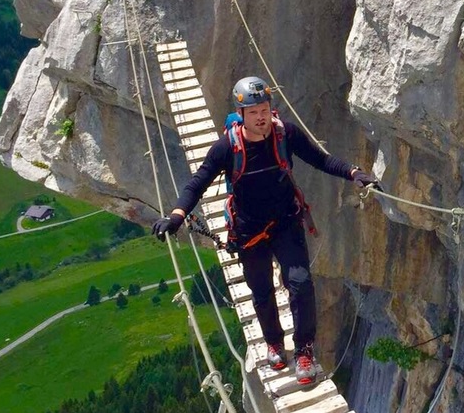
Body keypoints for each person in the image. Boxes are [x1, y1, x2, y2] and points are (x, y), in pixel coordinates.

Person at [152, 76, 376, 384]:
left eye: (265, 110)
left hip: (286, 222)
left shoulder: (285, 134)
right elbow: (198, 183)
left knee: (300, 283)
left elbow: (320, 159)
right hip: (249, 231)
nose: (261, 117)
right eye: (254, 112)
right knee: (261, 292)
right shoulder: (227, 148)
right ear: (241, 114)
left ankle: (304, 350)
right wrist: (177, 216)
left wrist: (354, 173)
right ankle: (274, 342)